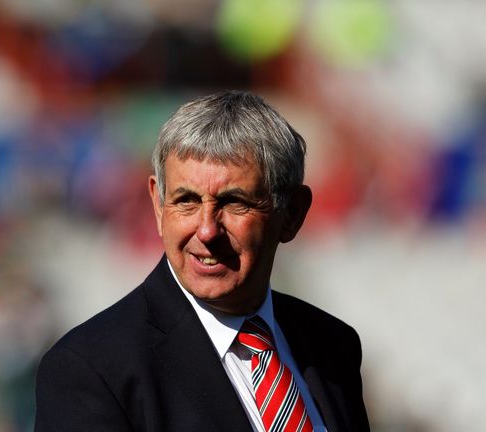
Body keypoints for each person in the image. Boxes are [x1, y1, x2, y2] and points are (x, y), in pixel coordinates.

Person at [34, 90, 370, 431]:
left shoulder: (332, 346)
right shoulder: (93, 369)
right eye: (186, 201)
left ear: (293, 213)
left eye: (234, 202)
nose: (207, 230)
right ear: (157, 205)